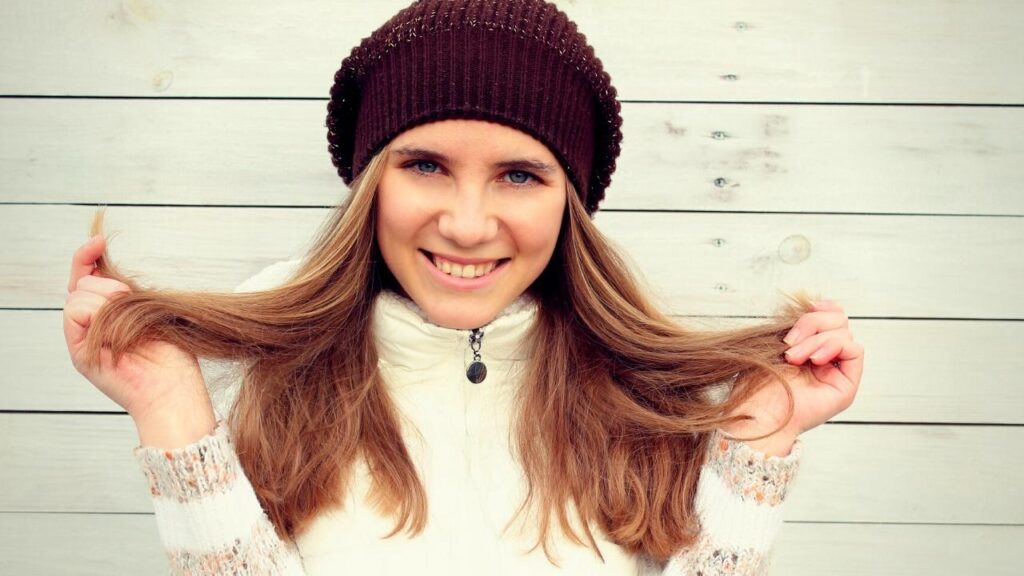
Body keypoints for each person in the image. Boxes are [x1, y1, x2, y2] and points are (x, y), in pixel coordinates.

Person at [62, 0, 863, 574]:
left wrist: (765, 434)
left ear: (569, 203)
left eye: (519, 174)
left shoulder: (642, 399)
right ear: (371, 182)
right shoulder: (264, 376)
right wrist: (167, 408)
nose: (470, 224)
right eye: (424, 166)